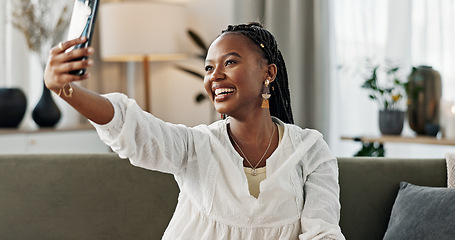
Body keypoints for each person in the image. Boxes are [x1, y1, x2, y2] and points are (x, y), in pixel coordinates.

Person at [45, 22, 345, 240]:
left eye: (229, 62)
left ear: (269, 73)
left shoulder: (311, 150)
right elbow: (135, 130)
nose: (215, 77)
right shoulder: (196, 146)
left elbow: (324, 234)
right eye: (209, 68)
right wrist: (66, 89)